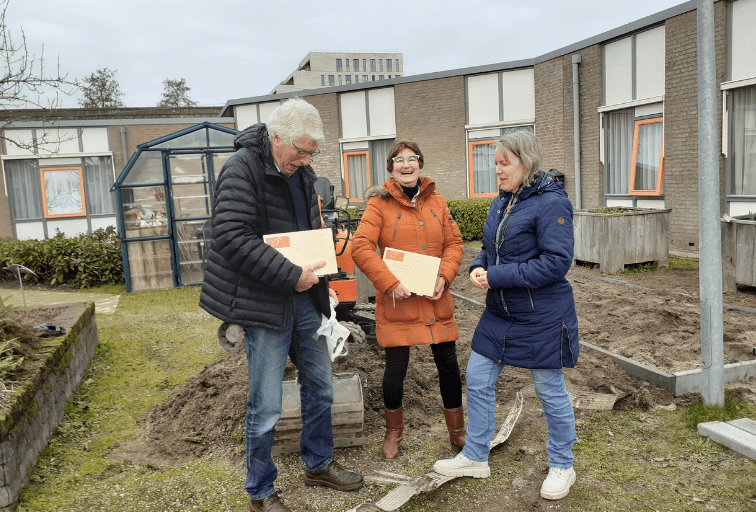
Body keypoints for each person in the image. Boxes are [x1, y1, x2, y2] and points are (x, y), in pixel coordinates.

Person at [199, 98, 363, 512]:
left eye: (312, 152)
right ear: (276, 138)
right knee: (268, 403)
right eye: (300, 151)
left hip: (305, 297)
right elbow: (233, 238)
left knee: (321, 386)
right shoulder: (242, 168)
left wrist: (321, 281)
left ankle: (319, 463)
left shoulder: (302, 173)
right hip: (264, 302)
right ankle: (260, 490)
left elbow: (310, 230)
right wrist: (292, 275)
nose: (306, 160)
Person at [432, 130, 579, 501]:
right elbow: (488, 246)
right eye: (495, 163)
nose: (496, 170)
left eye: (504, 163)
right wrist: (479, 266)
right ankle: (476, 455)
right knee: (478, 378)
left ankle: (563, 464)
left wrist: (495, 276)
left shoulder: (552, 203)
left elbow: (556, 263)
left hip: (541, 314)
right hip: (501, 312)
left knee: (549, 390)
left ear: (525, 163)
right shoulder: (502, 201)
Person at [351, 139, 466, 461]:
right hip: (399, 301)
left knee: (448, 366)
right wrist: (389, 282)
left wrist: (445, 276)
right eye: (399, 160)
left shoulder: (438, 203)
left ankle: (457, 432)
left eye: (412, 159)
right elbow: (360, 247)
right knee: (395, 370)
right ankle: (394, 432)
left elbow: (454, 243)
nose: (406, 164)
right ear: (391, 168)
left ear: (420, 165)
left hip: (434, 298)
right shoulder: (379, 205)